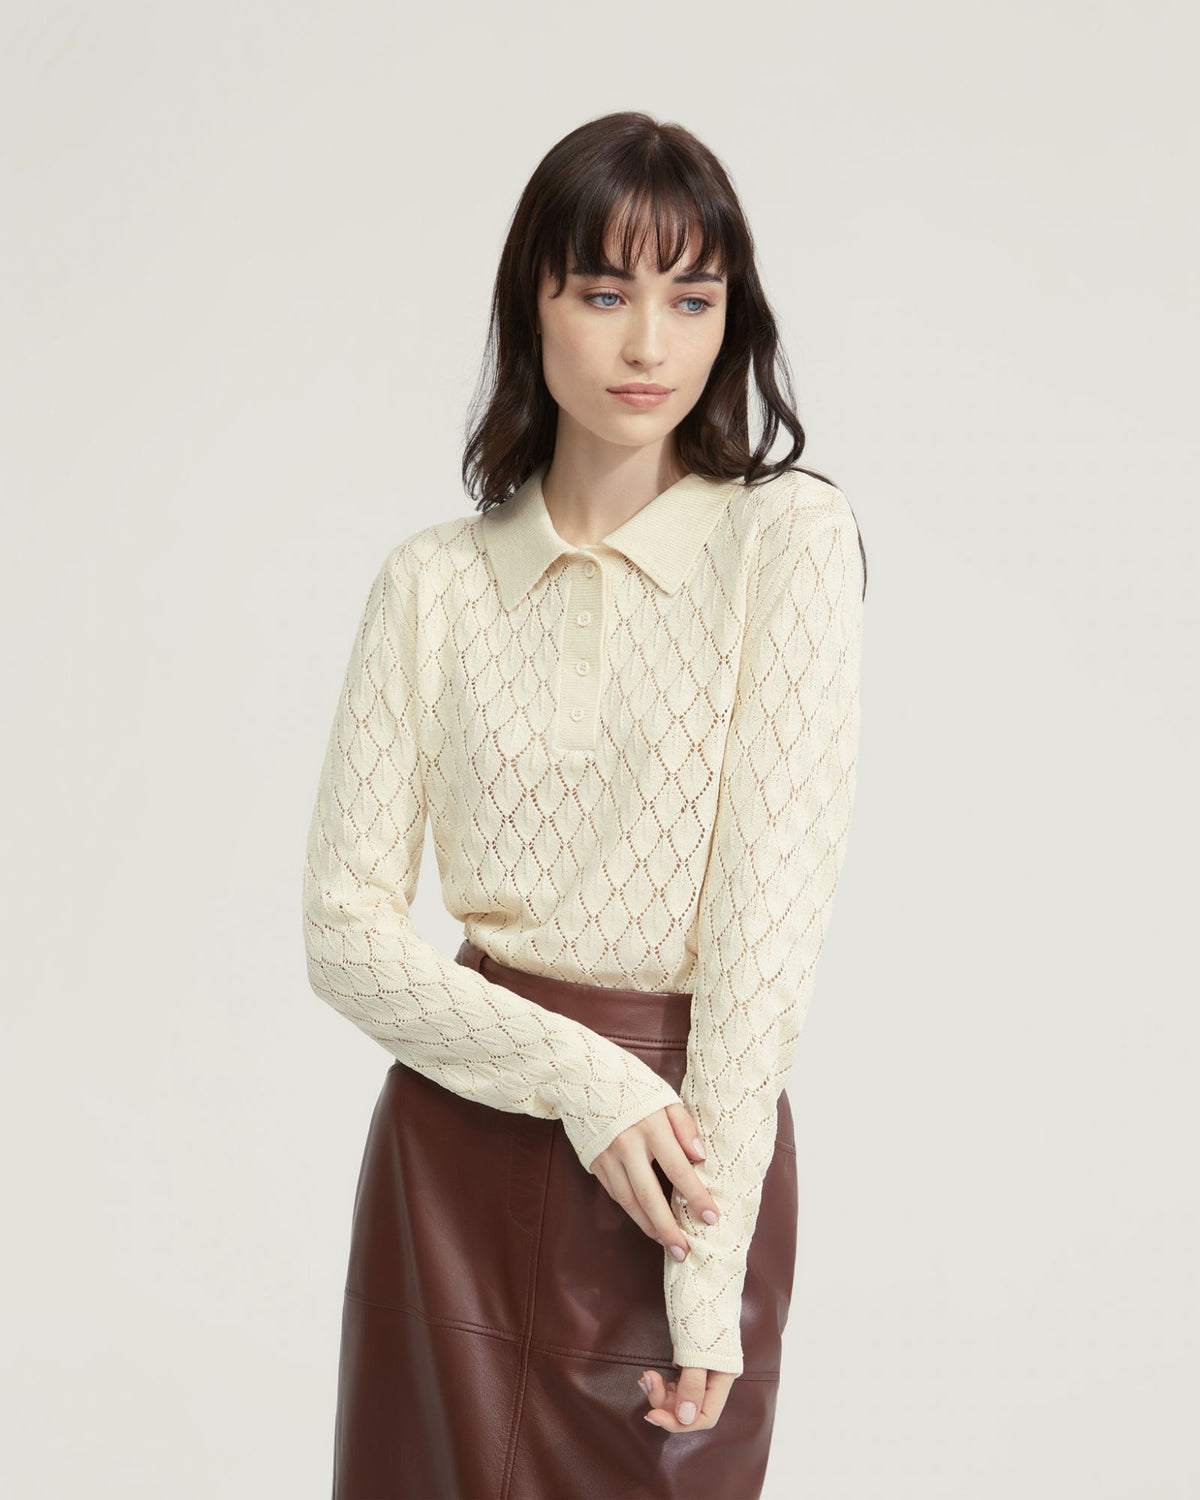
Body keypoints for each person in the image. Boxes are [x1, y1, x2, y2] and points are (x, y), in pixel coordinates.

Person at [301, 109, 867, 1500]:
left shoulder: (784, 540)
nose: (647, 344)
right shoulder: (431, 583)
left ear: (732, 320)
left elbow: (767, 928)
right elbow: (343, 933)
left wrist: (707, 1282)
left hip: (683, 1157)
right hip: (457, 1147)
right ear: (532, 304)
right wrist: (586, 1080)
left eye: (692, 298)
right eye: (605, 293)